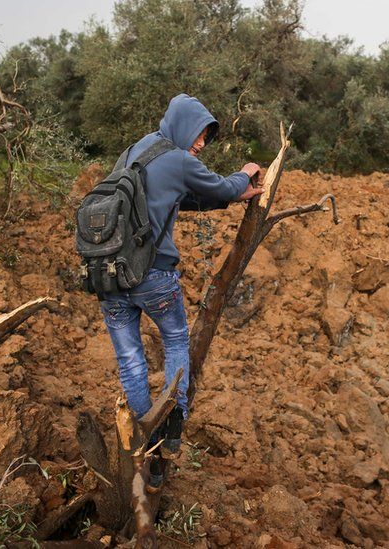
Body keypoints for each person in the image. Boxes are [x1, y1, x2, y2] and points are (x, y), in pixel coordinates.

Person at [99, 94, 262, 479]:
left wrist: (227, 197)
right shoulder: (176, 158)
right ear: (182, 124)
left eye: (207, 137)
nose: (202, 143)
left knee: (130, 361)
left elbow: (177, 199)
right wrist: (246, 173)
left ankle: (142, 449)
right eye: (201, 133)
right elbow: (221, 187)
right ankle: (171, 431)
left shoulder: (136, 150)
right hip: (153, 275)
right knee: (174, 340)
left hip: (109, 274)